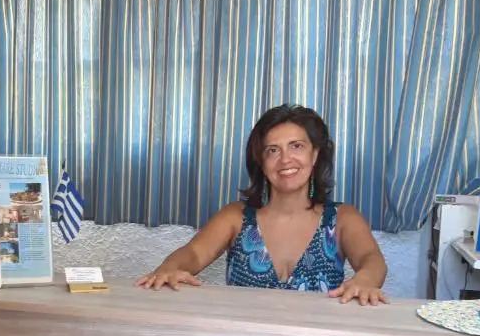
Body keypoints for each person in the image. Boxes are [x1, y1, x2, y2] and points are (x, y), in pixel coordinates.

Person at [136, 104, 388, 305]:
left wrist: (365, 280)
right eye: (272, 150)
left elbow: (372, 259)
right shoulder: (236, 217)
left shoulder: (342, 218)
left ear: (315, 154)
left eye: (296, 146)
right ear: (261, 161)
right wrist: (169, 268)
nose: (285, 159)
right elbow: (193, 253)